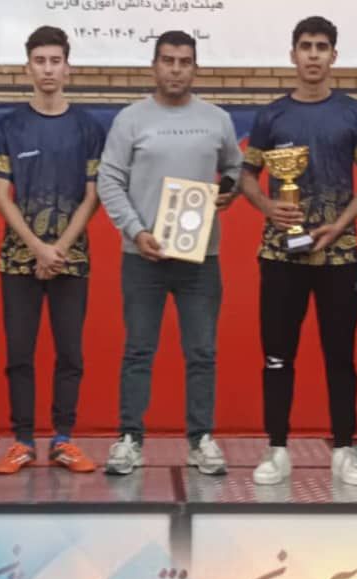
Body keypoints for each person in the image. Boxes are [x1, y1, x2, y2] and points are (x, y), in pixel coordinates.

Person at [98, 31, 242, 477]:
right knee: (138, 351)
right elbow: (109, 181)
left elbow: (235, 169)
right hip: (143, 257)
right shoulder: (130, 119)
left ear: (195, 68)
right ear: (154, 66)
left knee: (202, 352)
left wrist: (228, 191)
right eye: (168, 60)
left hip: (201, 259)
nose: (176, 69)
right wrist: (136, 231)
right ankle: (129, 440)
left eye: (184, 61)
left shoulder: (217, 119)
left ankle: (201, 440)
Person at [241, 16, 357, 487]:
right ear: (293, 55)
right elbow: (246, 176)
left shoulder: (356, 114)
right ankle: (277, 449)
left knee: (341, 356)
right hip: (281, 254)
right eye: (306, 46)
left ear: (334, 56)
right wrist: (267, 206)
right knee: (277, 355)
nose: (313, 55)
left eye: (322, 47)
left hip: (339, 256)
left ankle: (344, 450)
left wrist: (340, 225)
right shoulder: (271, 116)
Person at [0, 25, 104, 476]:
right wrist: (37, 247)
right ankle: (21, 441)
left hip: (71, 260)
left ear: (68, 68)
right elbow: (1, 196)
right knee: (20, 353)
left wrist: (59, 249)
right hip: (18, 260)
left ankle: (63, 438)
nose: (48, 69)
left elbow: (92, 196)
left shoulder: (87, 128)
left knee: (70, 353)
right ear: (28, 68)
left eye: (56, 61)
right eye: (40, 61)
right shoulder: (8, 128)